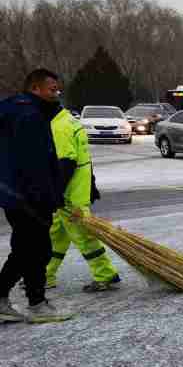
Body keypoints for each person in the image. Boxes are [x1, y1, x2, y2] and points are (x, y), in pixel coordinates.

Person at [0, 69, 70, 323]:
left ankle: (30, 301)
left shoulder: (22, 111)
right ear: (35, 89)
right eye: (52, 89)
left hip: (17, 193)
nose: (57, 93)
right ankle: (35, 304)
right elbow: (34, 163)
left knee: (28, 248)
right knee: (35, 249)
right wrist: (48, 196)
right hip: (26, 195)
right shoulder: (28, 115)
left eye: (57, 89)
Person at [45, 100, 121, 292]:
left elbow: (67, 163)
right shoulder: (70, 120)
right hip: (76, 190)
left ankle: (105, 274)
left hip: (69, 195)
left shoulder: (59, 127)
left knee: (83, 237)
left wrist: (55, 193)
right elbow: (83, 156)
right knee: (55, 236)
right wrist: (91, 184)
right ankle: (45, 275)